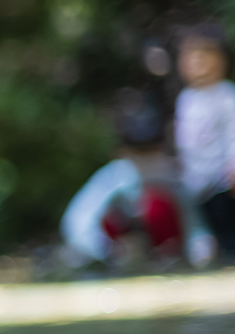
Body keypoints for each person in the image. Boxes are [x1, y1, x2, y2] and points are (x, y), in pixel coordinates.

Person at [60, 100, 214, 269]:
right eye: (139, 151)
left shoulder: (171, 176)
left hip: (167, 253)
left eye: (150, 150)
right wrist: (107, 251)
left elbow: (194, 225)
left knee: (157, 206)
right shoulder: (115, 175)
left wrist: (200, 254)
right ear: (123, 152)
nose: (145, 159)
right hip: (117, 252)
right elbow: (78, 222)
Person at [174, 23, 235, 258]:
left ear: (218, 61)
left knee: (226, 221)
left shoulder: (226, 95)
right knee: (207, 223)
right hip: (196, 180)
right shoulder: (186, 98)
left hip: (221, 178)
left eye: (202, 59)